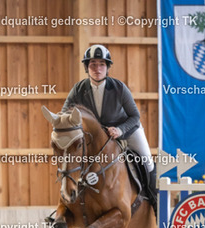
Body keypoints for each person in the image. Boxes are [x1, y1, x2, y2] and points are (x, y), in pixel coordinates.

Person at [61, 44, 158, 216]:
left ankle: (155, 202)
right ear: (87, 67)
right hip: (97, 138)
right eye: (93, 64)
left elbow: (135, 116)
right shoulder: (78, 89)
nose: (97, 69)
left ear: (107, 68)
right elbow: (64, 114)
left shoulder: (119, 88)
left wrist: (120, 130)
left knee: (147, 161)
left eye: (101, 64)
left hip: (127, 131)